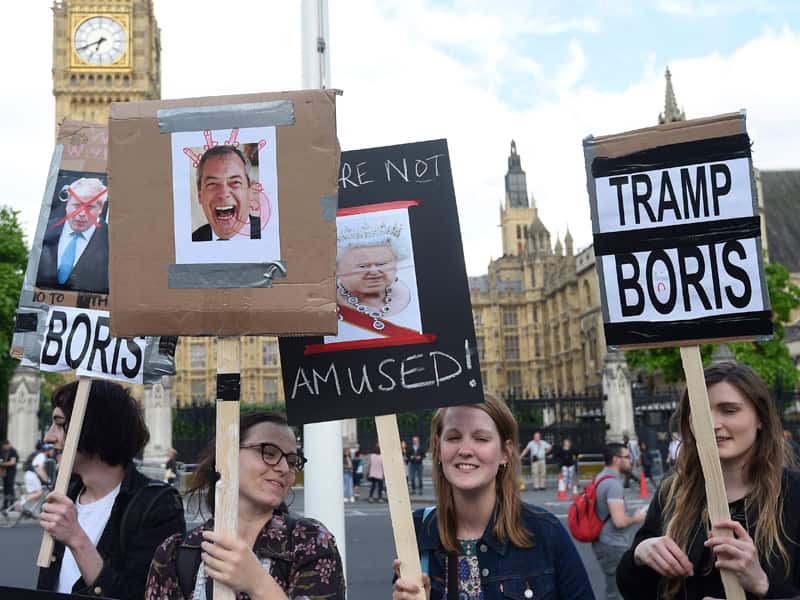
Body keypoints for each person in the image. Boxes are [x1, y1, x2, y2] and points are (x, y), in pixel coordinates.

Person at [617, 362, 800, 599]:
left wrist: (763, 584)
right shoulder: (673, 491)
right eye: (700, 410)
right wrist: (639, 556)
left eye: (729, 410)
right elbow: (634, 590)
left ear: (760, 418)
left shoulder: (794, 493)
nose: (712, 424)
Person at [392, 393, 594, 600]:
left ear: (505, 453)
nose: (465, 450)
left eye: (481, 439)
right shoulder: (418, 532)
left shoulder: (544, 532)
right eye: (453, 438)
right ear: (437, 448)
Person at [146, 411, 345, 599]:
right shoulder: (175, 553)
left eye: (292, 461)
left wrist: (258, 584)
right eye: (269, 452)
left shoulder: (311, 543)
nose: (284, 468)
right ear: (228, 453)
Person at [36, 380, 186, 599]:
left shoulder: (157, 506)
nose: (48, 437)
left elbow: (140, 594)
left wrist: (76, 538)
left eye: (59, 424)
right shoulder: (64, 496)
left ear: (93, 428)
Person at [331, 219, 421, 342]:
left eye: (382, 264)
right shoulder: (322, 306)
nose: (374, 271)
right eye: (363, 266)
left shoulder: (418, 293)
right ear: (338, 269)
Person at [592, 443, 647, 600]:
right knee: (617, 592)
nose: (631, 460)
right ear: (616, 459)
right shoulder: (613, 484)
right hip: (612, 544)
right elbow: (619, 521)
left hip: (603, 541)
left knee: (615, 589)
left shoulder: (601, 477)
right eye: (627, 457)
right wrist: (637, 518)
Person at [36, 176, 109, 293]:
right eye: (77, 205)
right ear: (67, 204)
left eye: (89, 207)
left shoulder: (112, 240)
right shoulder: (44, 230)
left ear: (100, 208)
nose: (82, 213)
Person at [192, 145, 260, 241]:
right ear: (200, 196)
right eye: (212, 184)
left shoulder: (271, 235)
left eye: (235, 182)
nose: (223, 194)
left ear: (250, 192)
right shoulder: (191, 240)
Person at [0, 439, 19, 510]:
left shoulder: (13, 451)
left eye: (4, 446)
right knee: (5, 489)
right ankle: (5, 505)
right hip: (4, 472)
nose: (3, 448)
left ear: (7, 445)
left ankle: (12, 505)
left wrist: (2, 464)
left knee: (10, 488)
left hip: (11, 472)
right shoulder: (3, 451)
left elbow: (12, 462)